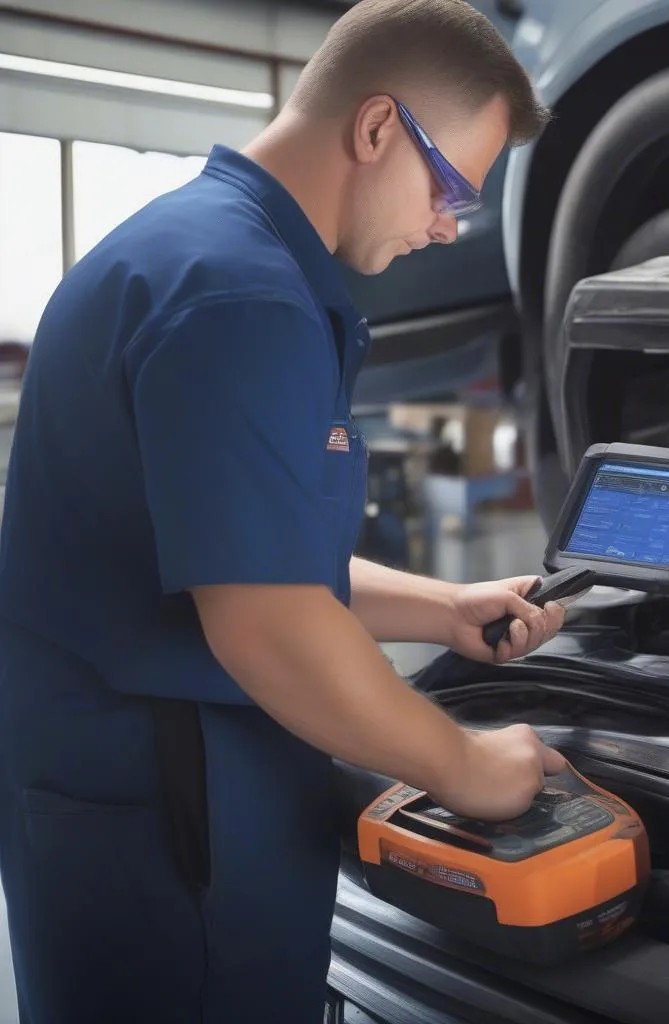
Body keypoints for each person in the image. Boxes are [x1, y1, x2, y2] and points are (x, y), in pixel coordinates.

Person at [0, 1, 566, 1021]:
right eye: (449, 189)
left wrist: (439, 608)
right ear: (377, 128)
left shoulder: (187, 250)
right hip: (180, 820)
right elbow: (268, 622)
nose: (446, 224)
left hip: (123, 797)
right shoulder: (242, 299)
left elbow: (239, 551)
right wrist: (470, 765)